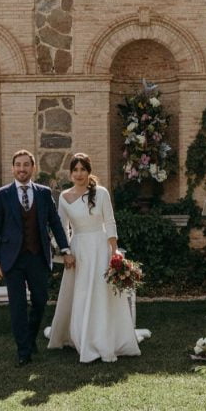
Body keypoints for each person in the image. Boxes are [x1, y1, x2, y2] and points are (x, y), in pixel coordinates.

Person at [47, 154, 141, 363]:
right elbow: (61, 228)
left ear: (89, 171)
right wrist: (66, 252)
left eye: (83, 169)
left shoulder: (101, 193)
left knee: (102, 292)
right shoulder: (64, 197)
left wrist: (114, 251)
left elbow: (110, 222)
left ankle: (106, 337)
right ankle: (82, 338)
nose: (79, 173)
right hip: (79, 250)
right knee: (81, 292)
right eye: (75, 170)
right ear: (70, 173)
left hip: (101, 248)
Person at [0, 149, 73, 366]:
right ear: (13, 168)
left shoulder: (44, 193)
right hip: (12, 259)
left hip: (37, 257)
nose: (22, 169)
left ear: (33, 168)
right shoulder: (2, 194)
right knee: (17, 305)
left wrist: (65, 248)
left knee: (40, 300)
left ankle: (30, 337)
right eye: (18, 165)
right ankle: (23, 351)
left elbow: (55, 223)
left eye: (26, 165)